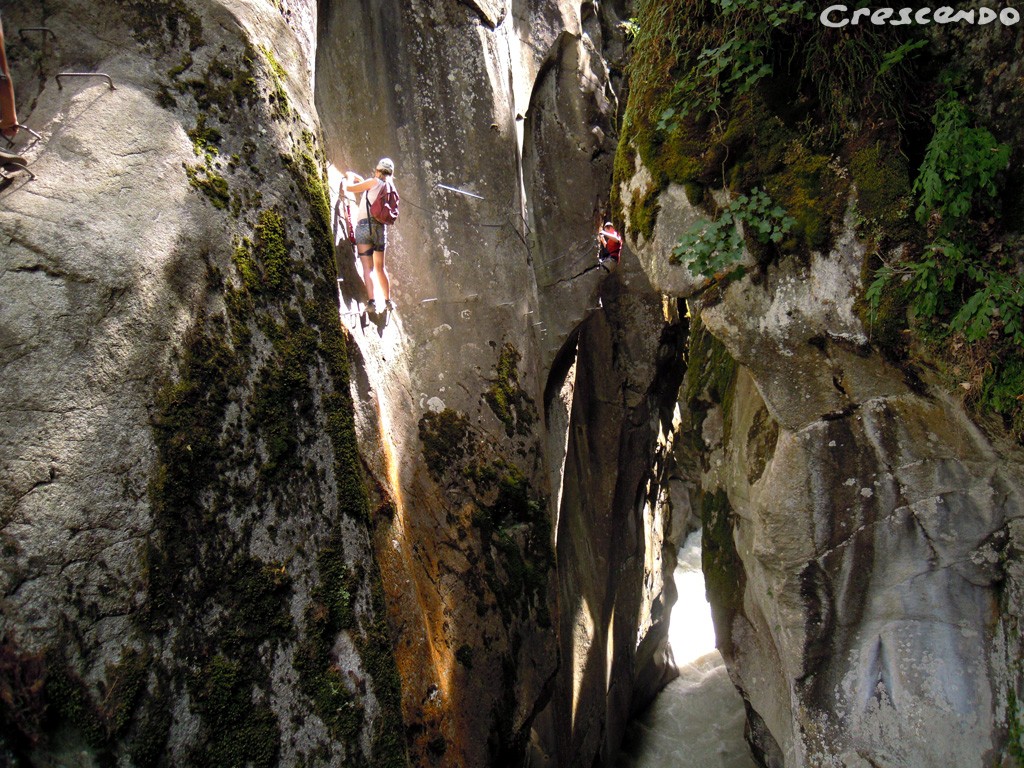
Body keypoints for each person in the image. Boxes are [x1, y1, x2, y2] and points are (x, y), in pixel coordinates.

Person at [343, 157, 396, 313]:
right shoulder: (389, 187)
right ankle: (388, 301)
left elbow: (349, 188)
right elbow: (368, 188)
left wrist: (350, 177)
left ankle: (372, 302)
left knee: (368, 267)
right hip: (380, 229)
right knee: (380, 268)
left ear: (377, 169)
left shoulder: (373, 182)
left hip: (364, 227)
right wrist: (361, 179)